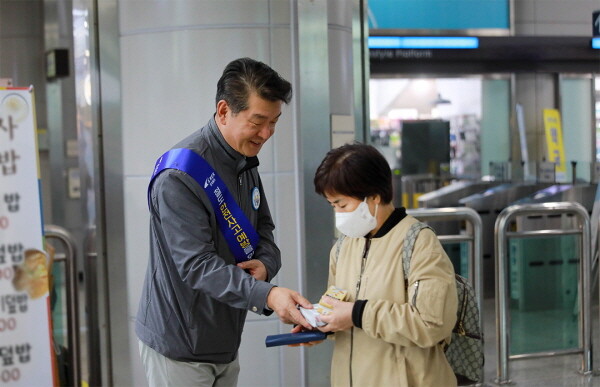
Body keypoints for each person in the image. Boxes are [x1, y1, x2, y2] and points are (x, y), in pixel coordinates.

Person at [136, 57, 312, 387]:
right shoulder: (180, 176)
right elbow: (197, 266)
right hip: (180, 343)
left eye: (274, 122)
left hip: (223, 338)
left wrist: (265, 264)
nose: (266, 133)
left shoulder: (242, 159)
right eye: (258, 121)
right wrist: (269, 295)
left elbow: (264, 230)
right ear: (223, 111)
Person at [296, 143, 458, 387]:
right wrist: (321, 326)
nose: (338, 214)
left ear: (374, 196)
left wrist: (357, 313)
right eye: (333, 206)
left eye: (342, 205)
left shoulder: (418, 243)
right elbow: (337, 304)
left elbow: (431, 323)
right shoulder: (343, 246)